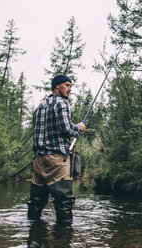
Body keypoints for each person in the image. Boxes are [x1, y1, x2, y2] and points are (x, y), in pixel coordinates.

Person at [27, 74, 85, 225]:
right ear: (57, 86)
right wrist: (79, 127)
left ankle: (33, 234)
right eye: (67, 85)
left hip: (39, 160)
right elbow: (66, 129)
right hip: (57, 160)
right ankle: (64, 237)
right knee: (64, 202)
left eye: (71, 86)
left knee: (36, 202)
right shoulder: (62, 103)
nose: (70, 89)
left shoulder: (39, 107)